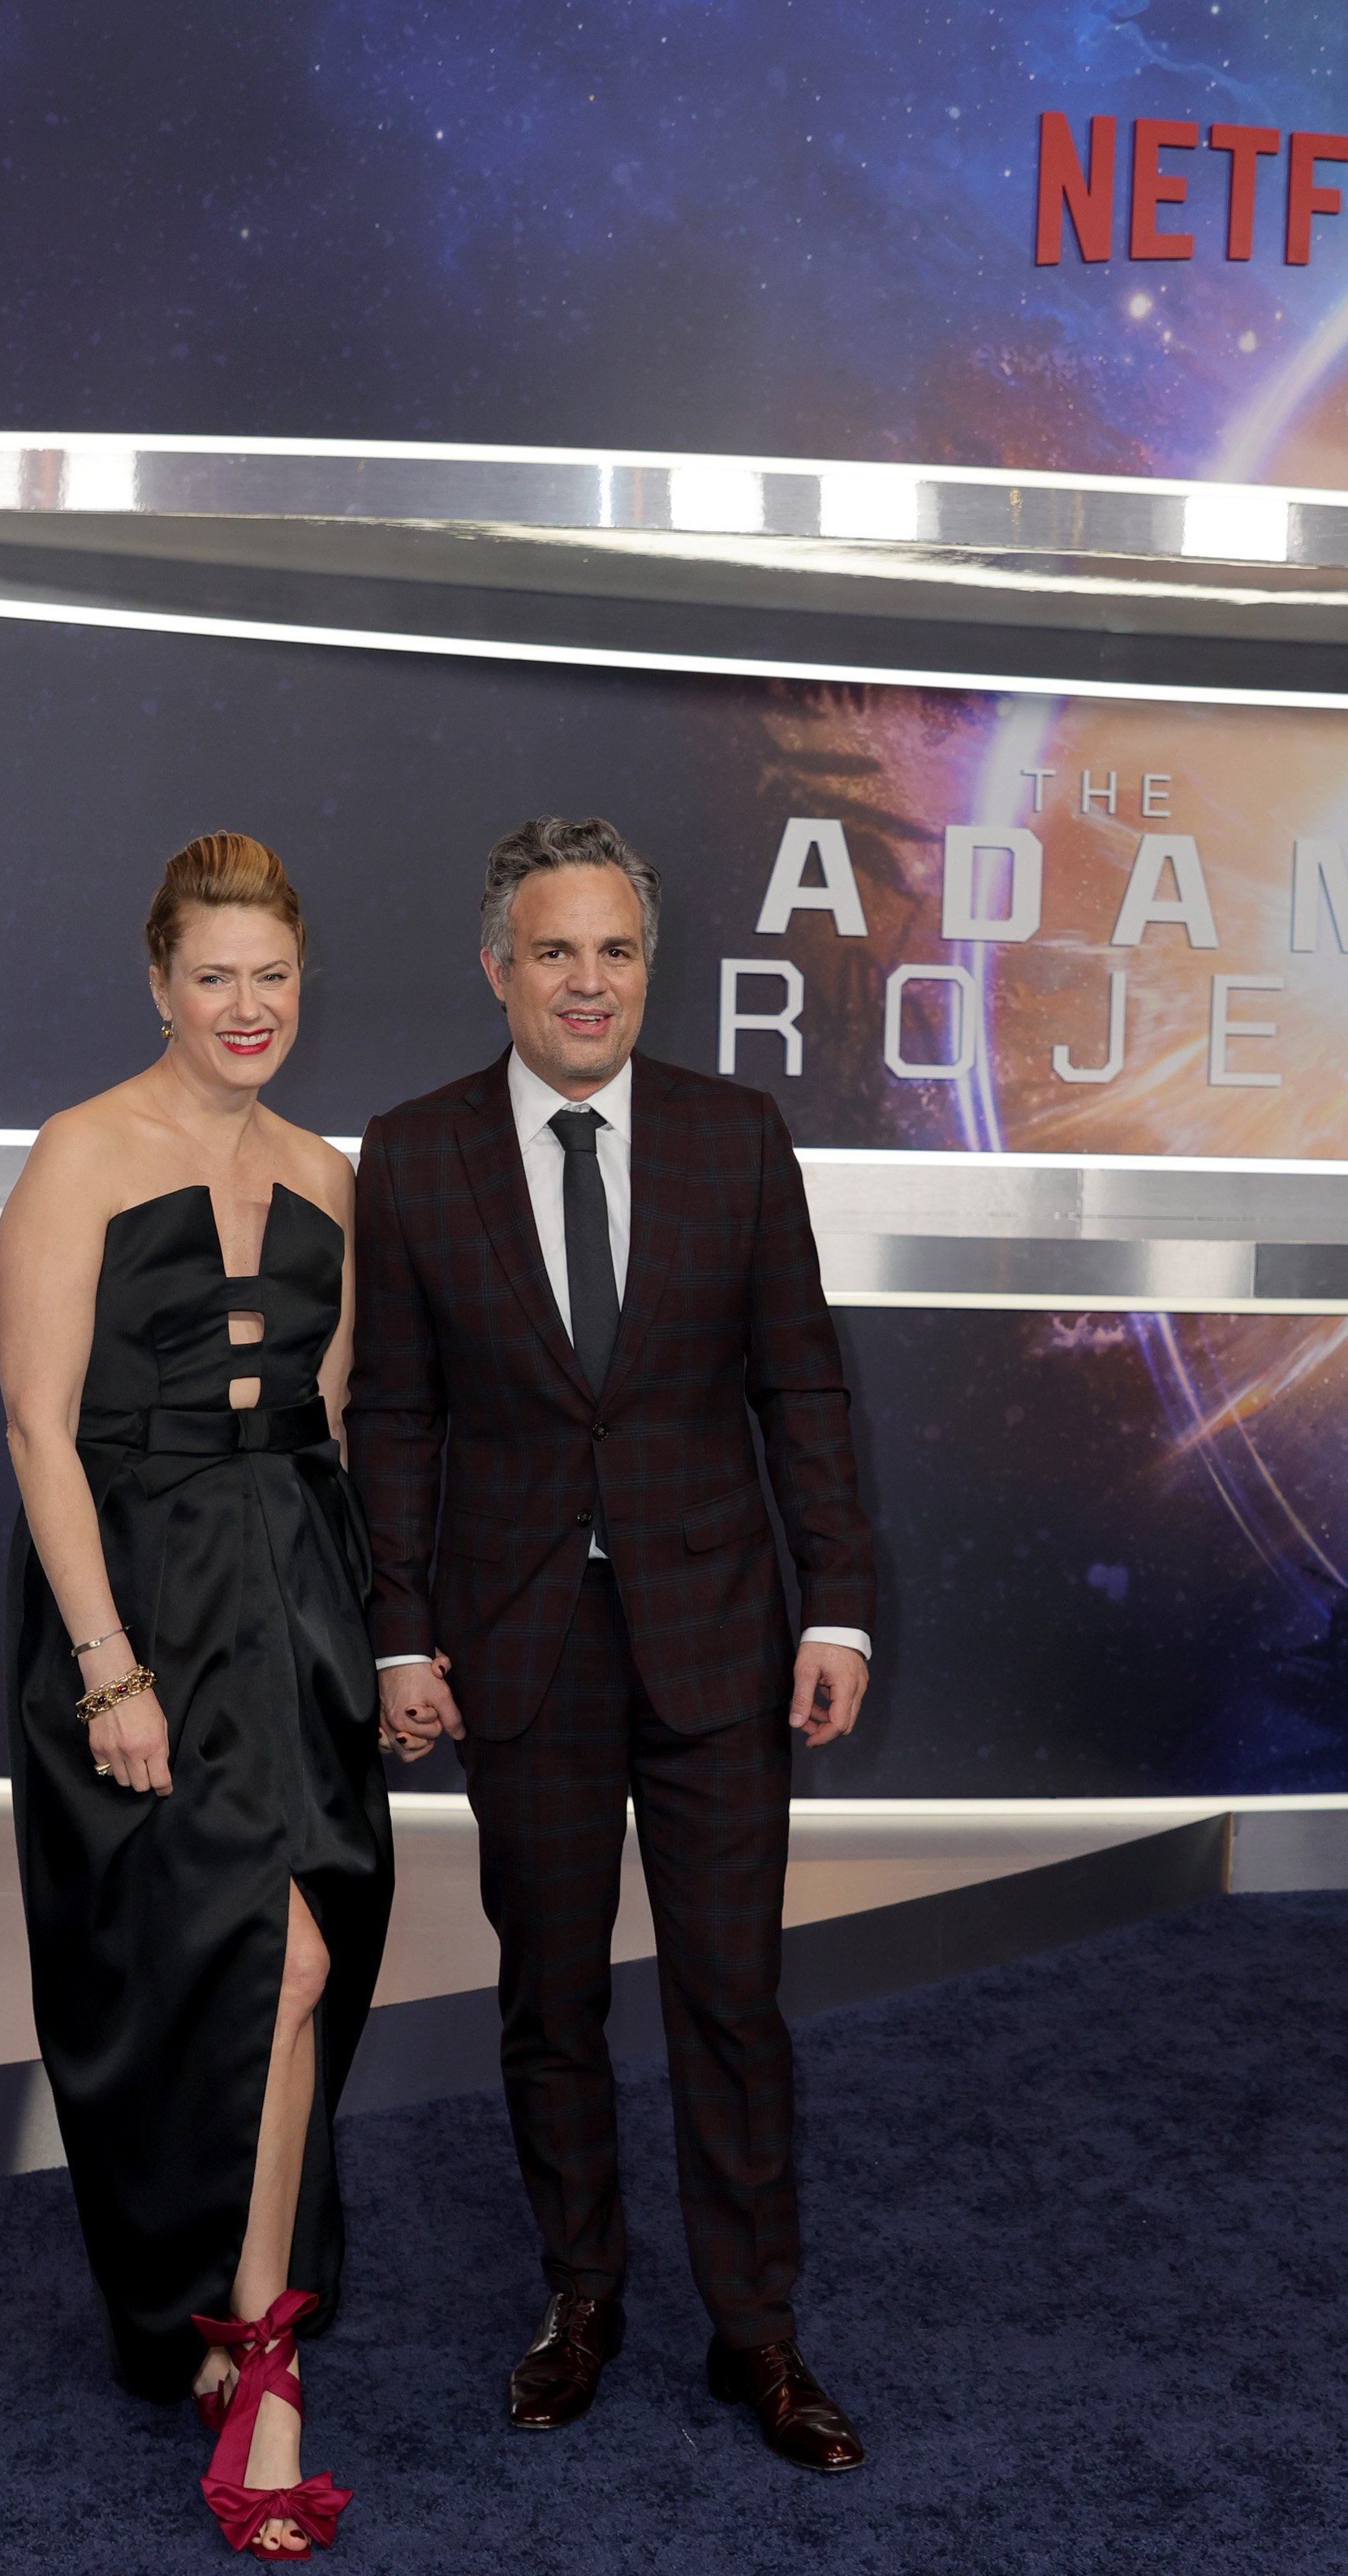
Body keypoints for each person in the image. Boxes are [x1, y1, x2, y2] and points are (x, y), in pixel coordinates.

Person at [350, 815, 876, 2470]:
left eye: (619, 950)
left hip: (720, 1631)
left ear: (650, 965)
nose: (589, 981)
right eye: (556, 950)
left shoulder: (736, 1136)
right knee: (551, 1996)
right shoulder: (416, 1151)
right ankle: (580, 2300)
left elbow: (799, 1384)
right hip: (519, 1647)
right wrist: (401, 1632)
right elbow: (395, 1414)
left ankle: (757, 2332)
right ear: (495, 966)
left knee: (732, 1996)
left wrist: (837, 1599)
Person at [0, 831, 401, 2560]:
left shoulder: (327, 1174)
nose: (248, 1007)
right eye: (216, 976)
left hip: (293, 1607)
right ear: (160, 981)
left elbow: (324, 1415)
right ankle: (226, 2320)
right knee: (188, 1971)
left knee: (307, 1950)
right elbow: (37, 1426)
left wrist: (377, 1636)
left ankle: (255, 2343)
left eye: (275, 977)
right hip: (141, 1609)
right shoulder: (79, 1152)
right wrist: (108, 1666)